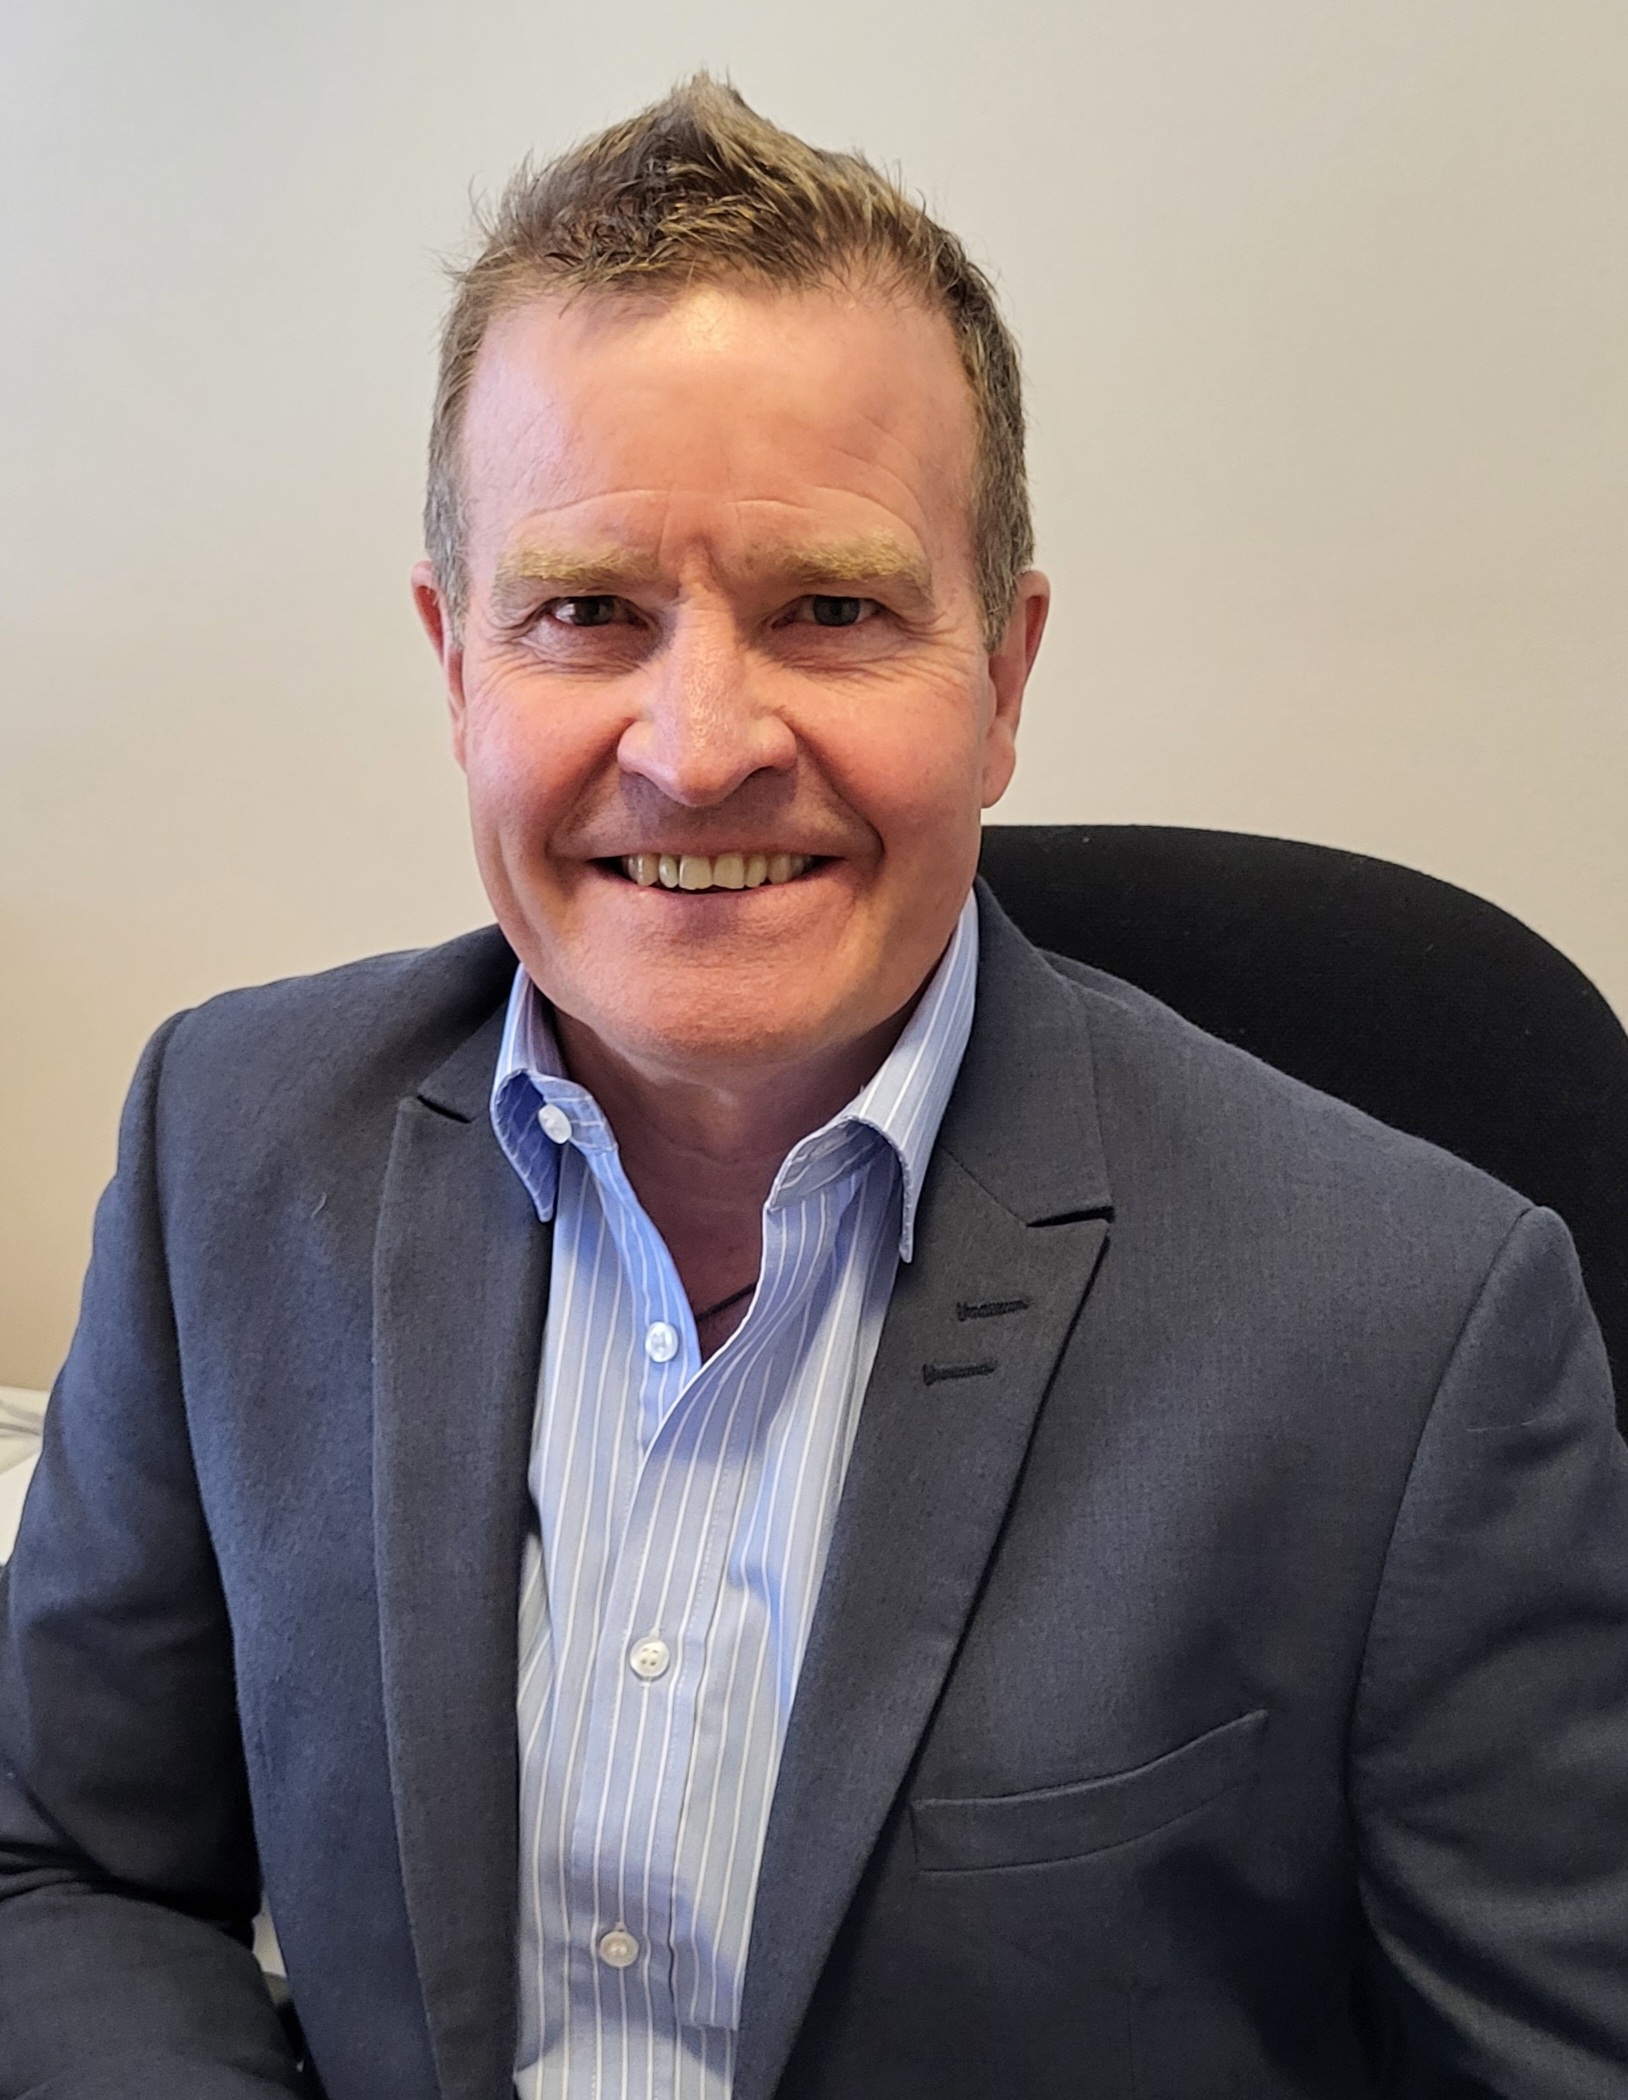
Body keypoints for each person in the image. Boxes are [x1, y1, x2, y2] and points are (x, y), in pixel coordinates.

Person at [1, 75, 1625, 2100]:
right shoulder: (229, 1151)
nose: (697, 748)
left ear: (1002, 676)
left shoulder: (1412, 1331)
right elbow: (64, 1871)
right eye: (586, 613)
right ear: (456, 663)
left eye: (832, 611)